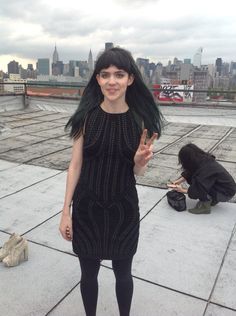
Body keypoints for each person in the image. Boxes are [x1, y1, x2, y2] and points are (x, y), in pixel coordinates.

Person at [59, 47, 163, 316]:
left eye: (119, 74)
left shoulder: (141, 121)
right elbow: (75, 166)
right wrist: (65, 212)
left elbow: (136, 174)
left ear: (130, 79)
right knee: (88, 274)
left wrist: (140, 161)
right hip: (87, 209)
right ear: (97, 79)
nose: (111, 81)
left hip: (123, 210)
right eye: (105, 74)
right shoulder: (86, 118)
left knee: (123, 274)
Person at [168, 143, 236, 214]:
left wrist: (182, 190)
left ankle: (205, 208)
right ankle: (213, 199)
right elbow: (191, 170)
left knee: (199, 185)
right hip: (224, 187)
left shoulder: (205, 170)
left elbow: (198, 190)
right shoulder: (203, 159)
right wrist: (178, 181)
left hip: (226, 193)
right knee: (195, 179)